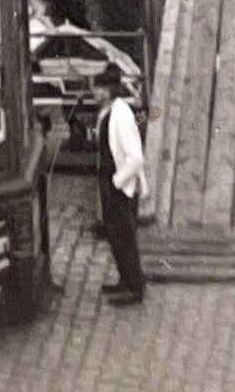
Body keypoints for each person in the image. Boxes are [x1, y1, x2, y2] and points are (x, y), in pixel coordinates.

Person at [93, 62, 146, 307]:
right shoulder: (106, 111)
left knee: (124, 237)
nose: (95, 94)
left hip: (120, 187)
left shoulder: (121, 115)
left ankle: (135, 287)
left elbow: (136, 157)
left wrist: (117, 180)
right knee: (115, 236)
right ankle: (124, 280)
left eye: (98, 89)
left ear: (108, 91)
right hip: (109, 183)